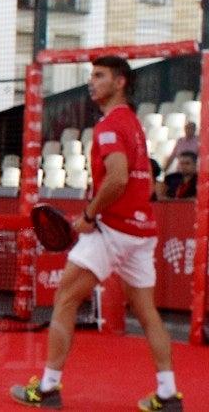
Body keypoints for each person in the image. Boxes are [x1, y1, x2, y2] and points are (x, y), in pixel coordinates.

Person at [9, 56, 183, 410]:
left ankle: (47, 388)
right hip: (141, 229)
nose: (92, 82)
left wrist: (89, 214)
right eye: (91, 76)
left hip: (110, 229)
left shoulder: (107, 127)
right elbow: (144, 180)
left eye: (100, 76)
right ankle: (167, 394)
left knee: (65, 299)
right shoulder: (133, 124)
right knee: (148, 313)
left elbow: (118, 177)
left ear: (120, 83)